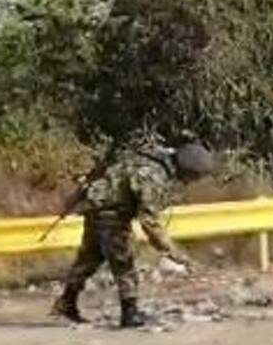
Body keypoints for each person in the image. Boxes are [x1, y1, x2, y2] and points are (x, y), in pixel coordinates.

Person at [52, 138, 215, 328]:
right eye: (194, 177)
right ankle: (129, 313)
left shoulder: (155, 160)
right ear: (187, 170)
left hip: (97, 207)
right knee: (124, 261)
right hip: (110, 212)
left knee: (89, 259)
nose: (191, 182)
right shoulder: (152, 174)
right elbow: (149, 222)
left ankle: (67, 302)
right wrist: (175, 253)